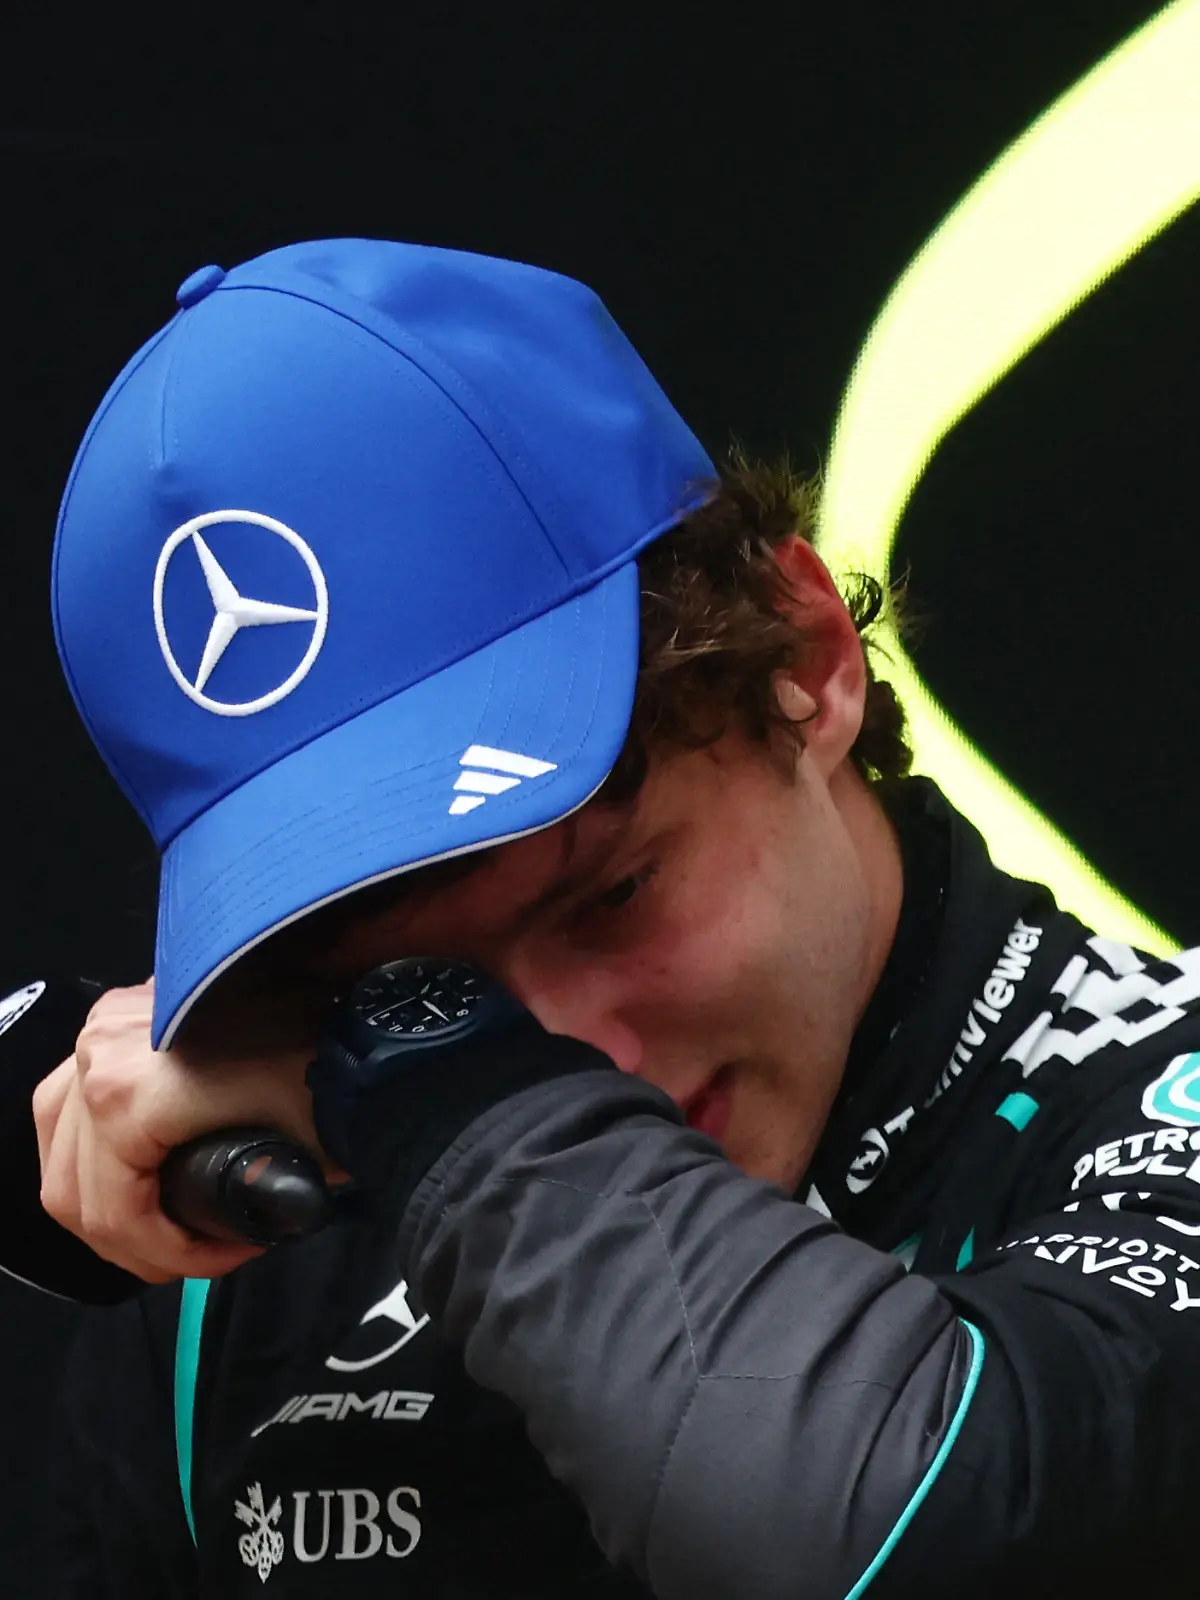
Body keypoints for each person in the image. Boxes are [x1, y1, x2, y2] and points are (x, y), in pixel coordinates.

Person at [31, 238, 1200, 1598]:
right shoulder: (237, 1276)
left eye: (612, 896)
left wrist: (444, 1086)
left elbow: (927, 1532)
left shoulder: (1151, 1104)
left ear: (810, 668)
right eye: (419, 981)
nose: (577, 1044)